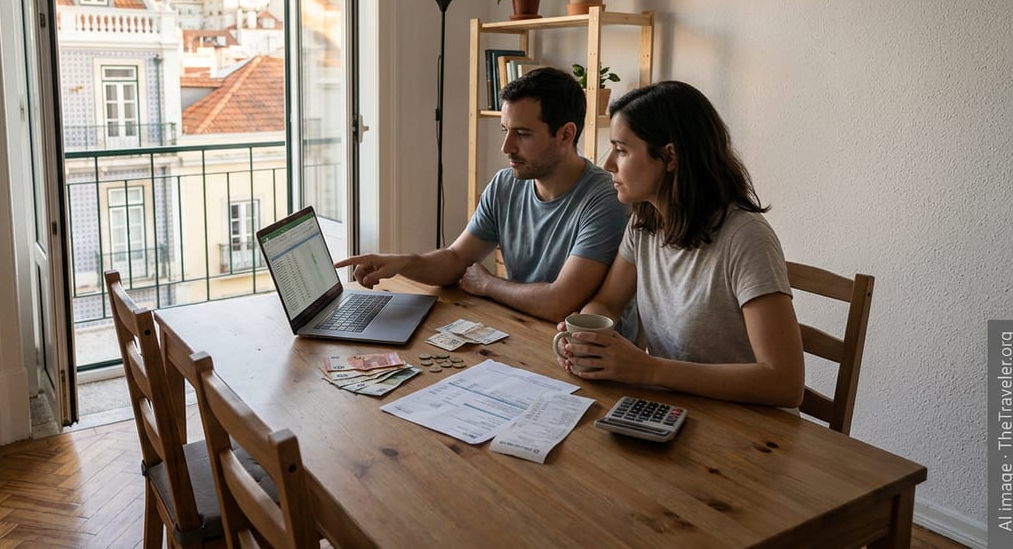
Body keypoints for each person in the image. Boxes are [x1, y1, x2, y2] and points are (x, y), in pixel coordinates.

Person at [556, 80, 804, 407]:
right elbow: (607, 303)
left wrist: (649, 370)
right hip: (673, 409)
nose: (607, 165)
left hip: (749, 429)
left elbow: (784, 382)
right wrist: (587, 337)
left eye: (621, 150)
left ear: (669, 156)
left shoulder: (746, 237)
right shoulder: (644, 223)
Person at [336, 66, 629, 323]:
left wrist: (488, 284)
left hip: (586, 357)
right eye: (505, 130)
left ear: (565, 135)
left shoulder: (605, 199)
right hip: (523, 329)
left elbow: (559, 303)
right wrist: (403, 263)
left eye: (523, 134)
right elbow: (456, 259)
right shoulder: (505, 184)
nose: (506, 147)